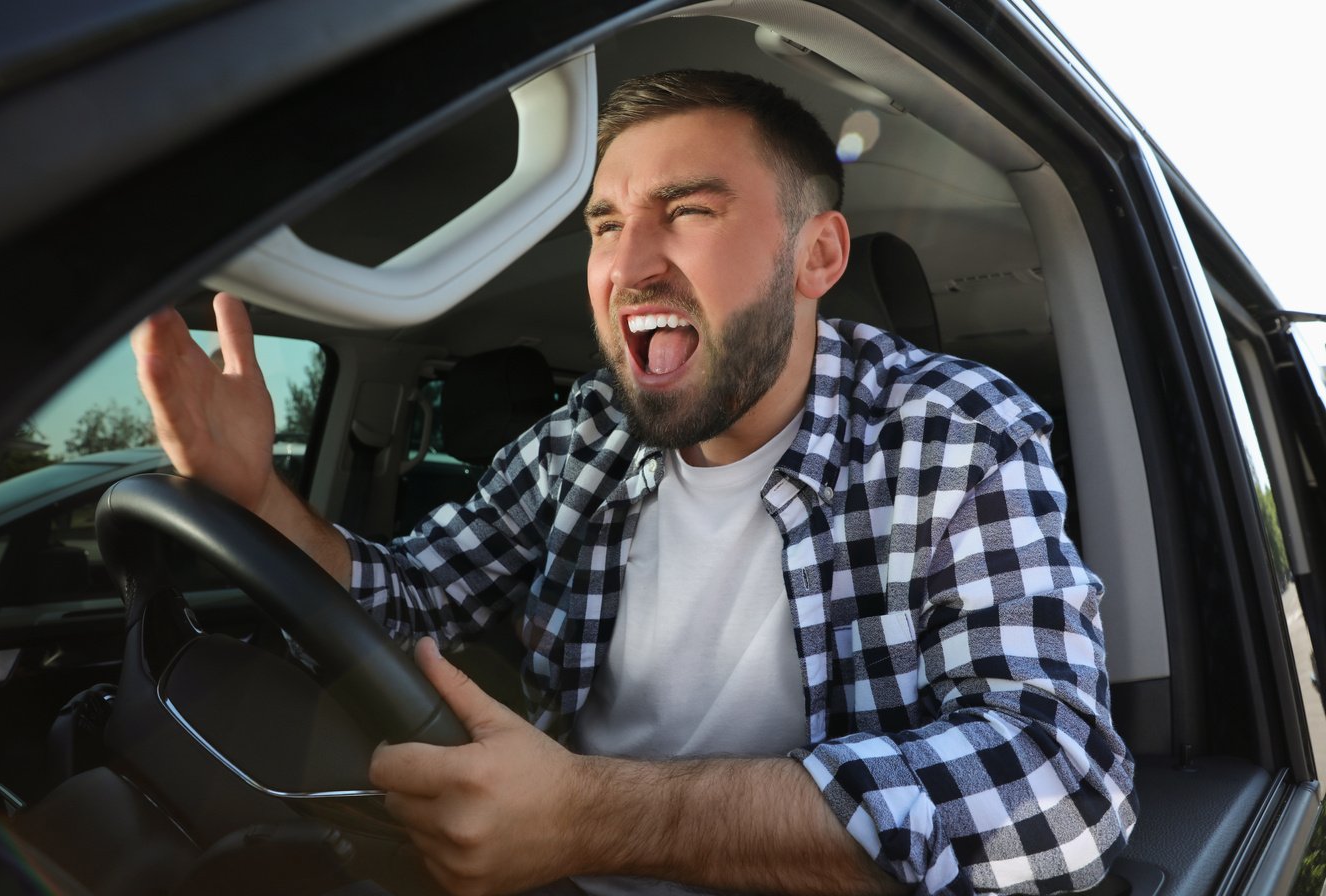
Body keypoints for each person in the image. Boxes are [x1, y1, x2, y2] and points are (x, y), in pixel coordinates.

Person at [133, 70, 1136, 896]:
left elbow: (1063, 786)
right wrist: (256, 491)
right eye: (606, 225)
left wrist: (591, 814)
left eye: (689, 210)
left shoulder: (949, 432)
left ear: (817, 254)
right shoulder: (592, 436)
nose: (629, 263)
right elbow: (410, 597)